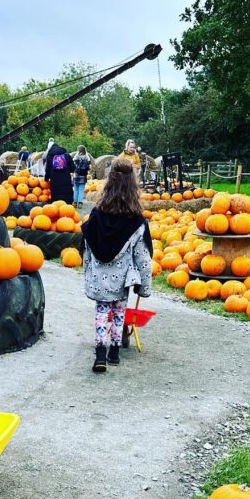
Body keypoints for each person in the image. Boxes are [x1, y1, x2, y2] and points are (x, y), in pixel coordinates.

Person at [81, 156, 153, 373]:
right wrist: (144, 286)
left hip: (100, 279)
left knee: (101, 312)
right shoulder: (136, 221)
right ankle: (114, 351)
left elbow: (86, 247)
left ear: (109, 183)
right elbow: (143, 257)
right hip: (121, 279)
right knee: (119, 311)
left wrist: (87, 271)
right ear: (133, 186)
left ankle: (100, 355)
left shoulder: (96, 215)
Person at [44, 138, 75, 203]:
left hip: (54, 179)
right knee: (66, 191)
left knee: (56, 193)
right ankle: (68, 204)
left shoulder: (50, 156)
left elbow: (48, 169)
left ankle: (56, 205)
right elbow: (73, 167)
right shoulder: (66, 155)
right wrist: (69, 170)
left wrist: (46, 178)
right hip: (65, 178)